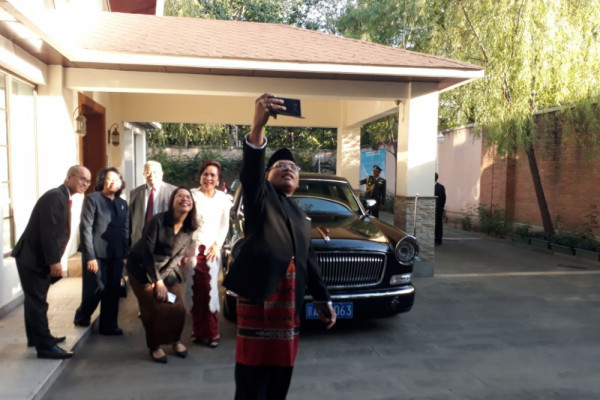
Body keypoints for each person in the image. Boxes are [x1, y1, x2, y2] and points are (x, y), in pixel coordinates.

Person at [222, 93, 336, 400]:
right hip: (259, 306)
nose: (288, 169)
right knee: (250, 386)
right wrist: (257, 127)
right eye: (279, 166)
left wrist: (323, 301)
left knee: (279, 383)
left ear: (299, 180)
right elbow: (251, 171)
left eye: (293, 168)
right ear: (267, 176)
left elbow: (310, 262)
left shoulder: (301, 218)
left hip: (289, 317)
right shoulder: (261, 199)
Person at [12, 165, 91, 359]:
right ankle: (44, 346)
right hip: (32, 259)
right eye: (82, 179)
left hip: (34, 258)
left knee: (35, 301)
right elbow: (48, 231)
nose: (85, 184)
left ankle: (36, 338)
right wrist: (54, 261)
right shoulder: (56, 196)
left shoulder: (63, 196)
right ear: (69, 177)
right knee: (38, 302)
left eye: (88, 181)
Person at [126, 187, 198, 364]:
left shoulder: (189, 228)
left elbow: (177, 257)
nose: (184, 199)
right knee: (154, 309)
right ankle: (155, 346)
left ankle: (175, 340)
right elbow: (146, 252)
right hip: (142, 269)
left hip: (166, 271)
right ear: (172, 201)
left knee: (177, 307)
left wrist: (163, 280)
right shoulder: (158, 221)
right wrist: (156, 281)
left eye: (188, 197)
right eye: (179, 196)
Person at [73, 167, 128, 335]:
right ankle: (82, 314)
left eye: (117, 179)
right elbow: (86, 229)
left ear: (121, 183)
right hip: (96, 254)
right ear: (102, 181)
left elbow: (126, 230)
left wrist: (125, 254)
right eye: (109, 178)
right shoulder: (92, 199)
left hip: (116, 254)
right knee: (95, 288)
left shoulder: (122, 204)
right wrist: (89, 257)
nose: (113, 182)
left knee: (113, 289)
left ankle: (109, 325)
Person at [189, 160, 233, 348]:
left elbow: (224, 226)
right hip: (192, 250)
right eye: (205, 174)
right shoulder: (192, 195)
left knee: (210, 291)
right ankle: (198, 332)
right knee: (194, 292)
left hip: (211, 251)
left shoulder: (223, 199)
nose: (208, 178)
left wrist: (217, 245)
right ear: (200, 176)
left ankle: (212, 332)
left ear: (218, 180)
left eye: (212, 175)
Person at [129, 161, 176, 247]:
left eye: (155, 172)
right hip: (139, 242)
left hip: (163, 241)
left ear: (162, 174)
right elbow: (130, 220)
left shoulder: (173, 192)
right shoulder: (135, 193)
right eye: (148, 172)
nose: (151, 175)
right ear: (144, 174)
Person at [434, 172, 447, 246]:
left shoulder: (440, 187)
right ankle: (433, 238)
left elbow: (443, 198)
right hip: (432, 209)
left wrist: (440, 207)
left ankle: (438, 240)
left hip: (438, 209)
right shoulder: (429, 186)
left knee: (438, 225)